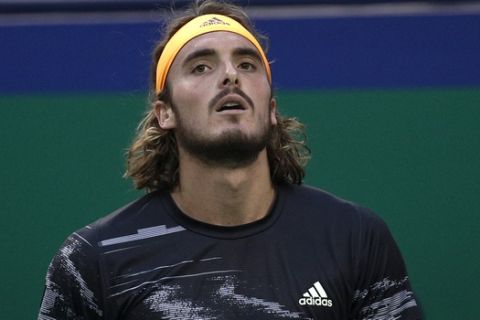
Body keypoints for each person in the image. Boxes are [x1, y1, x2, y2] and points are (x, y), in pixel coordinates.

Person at [38, 1, 422, 319]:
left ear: (271, 108)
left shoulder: (354, 238)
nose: (229, 76)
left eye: (247, 64)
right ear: (164, 113)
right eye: (201, 66)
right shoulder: (93, 261)